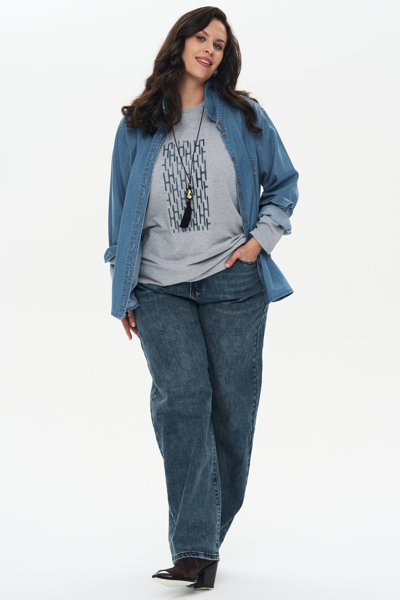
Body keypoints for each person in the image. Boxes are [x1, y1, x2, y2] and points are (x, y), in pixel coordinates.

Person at [104, 6, 299, 590]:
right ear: (180, 43)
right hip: (159, 285)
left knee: (232, 415)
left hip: (232, 282)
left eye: (219, 43)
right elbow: (118, 210)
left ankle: (205, 537)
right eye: (201, 37)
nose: (209, 49)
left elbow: (283, 185)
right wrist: (122, 287)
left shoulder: (245, 117)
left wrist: (258, 243)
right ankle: (195, 549)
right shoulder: (137, 123)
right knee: (182, 399)